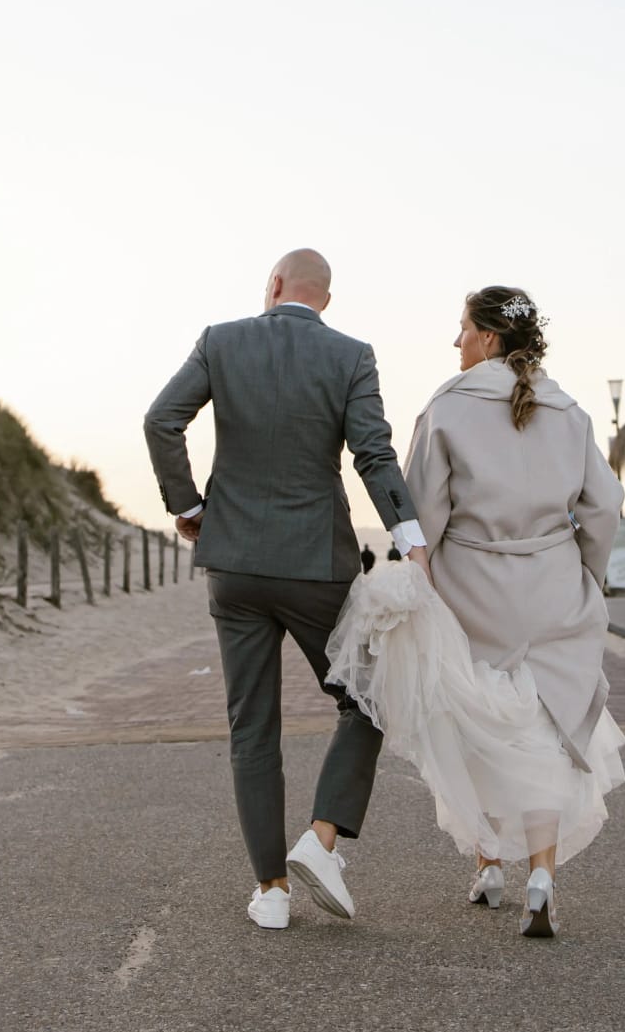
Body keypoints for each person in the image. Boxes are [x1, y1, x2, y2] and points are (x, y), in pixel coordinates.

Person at [329, 284, 625, 938]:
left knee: (477, 726)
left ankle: (489, 862)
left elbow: (421, 511)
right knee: (542, 730)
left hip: (472, 588)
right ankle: (540, 876)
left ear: (488, 337)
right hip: (553, 588)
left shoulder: (447, 407)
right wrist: (589, 576)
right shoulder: (570, 410)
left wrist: (420, 579)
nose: (455, 340)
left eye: (462, 327)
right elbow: (605, 505)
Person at [142, 248, 424, 931]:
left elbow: (160, 420)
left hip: (233, 563)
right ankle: (321, 839)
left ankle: (271, 890)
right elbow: (373, 452)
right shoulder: (352, 356)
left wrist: (189, 509)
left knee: (252, 724)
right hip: (315, 564)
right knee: (367, 695)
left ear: (274, 286)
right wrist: (408, 533)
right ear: (324, 297)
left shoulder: (220, 340)